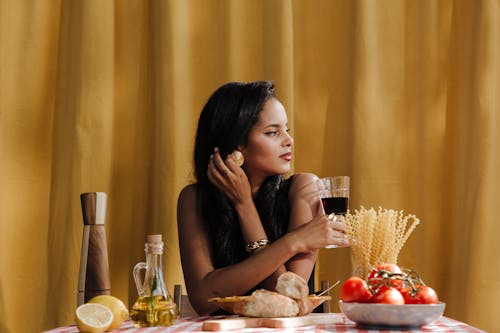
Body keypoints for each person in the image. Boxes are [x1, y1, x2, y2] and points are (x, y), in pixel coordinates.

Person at [177, 81, 349, 315]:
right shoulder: (194, 199)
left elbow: (289, 299)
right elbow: (203, 298)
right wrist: (293, 241)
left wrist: (245, 207)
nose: (289, 141)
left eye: (287, 129)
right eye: (272, 132)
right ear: (236, 146)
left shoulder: (304, 189)